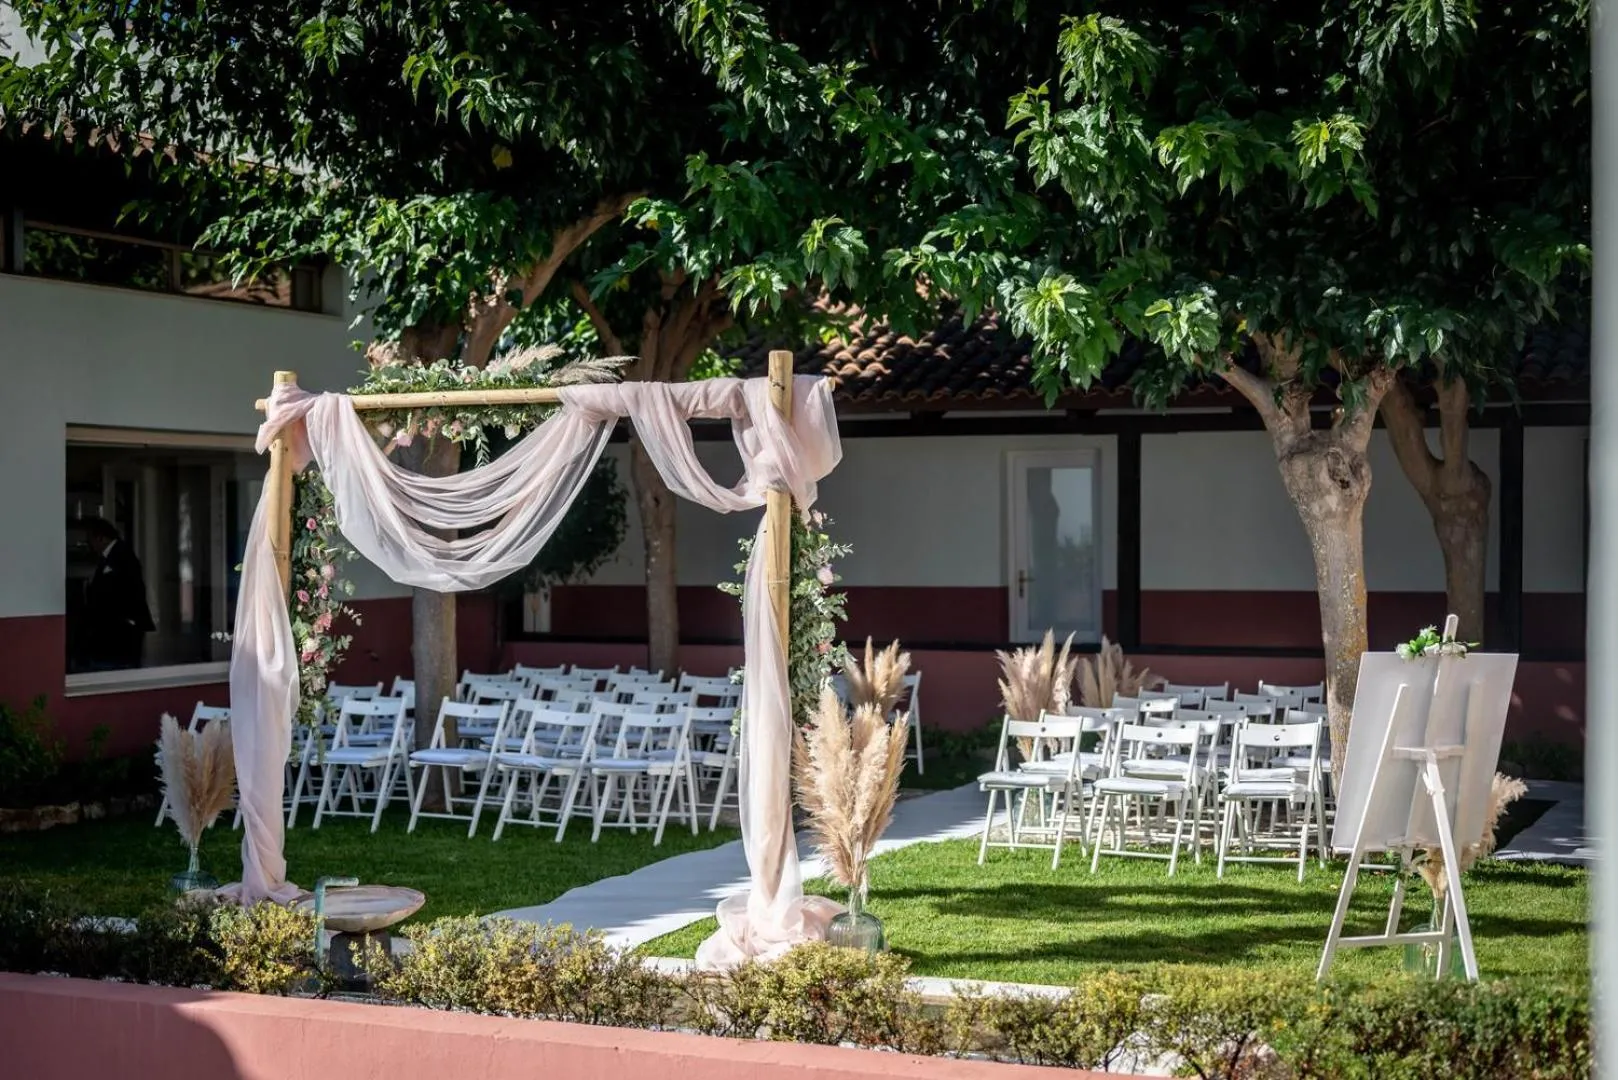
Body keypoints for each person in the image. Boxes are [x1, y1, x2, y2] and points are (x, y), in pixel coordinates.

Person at [81, 518, 155, 669]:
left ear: (100, 538)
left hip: (122, 629)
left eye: (91, 540)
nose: (90, 546)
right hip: (115, 628)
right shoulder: (109, 557)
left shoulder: (122, 555)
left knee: (121, 668)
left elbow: (128, 589)